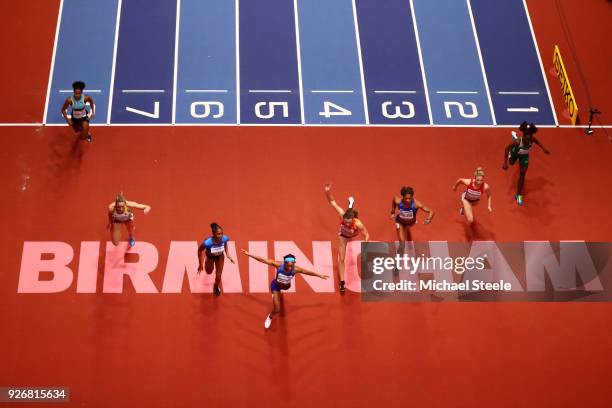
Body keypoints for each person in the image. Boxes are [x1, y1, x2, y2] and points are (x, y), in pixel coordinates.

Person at [241, 250, 328, 329]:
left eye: (292, 264)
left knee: (285, 287)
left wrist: (319, 275)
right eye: (288, 264)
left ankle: (278, 295)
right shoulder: (278, 265)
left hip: (286, 286)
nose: (290, 267)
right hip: (276, 286)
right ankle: (270, 317)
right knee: (277, 309)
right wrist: (249, 254)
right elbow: (263, 260)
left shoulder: (296, 269)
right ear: (285, 262)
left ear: (294, 263)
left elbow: (308, 272)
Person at [324, 183, 369, 293]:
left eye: (349, 222)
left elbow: (367, 234)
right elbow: (332, 202)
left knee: (350, 211)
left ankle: (350, 205)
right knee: (342, 259)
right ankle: (342, 283)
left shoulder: (358, 223)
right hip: (343, 236)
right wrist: (327, 191)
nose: (347, 224)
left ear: (353, 220)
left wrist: (365, 243)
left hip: (354, 234)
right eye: (345, 222)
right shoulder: (341, 214)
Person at [503, 121, 550, 205]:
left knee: (522, 174)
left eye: (530, 137)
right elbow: (506, 148)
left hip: (524, 156)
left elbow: (536, 141)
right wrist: (505, 163)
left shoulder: (532, 139)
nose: (528, 139)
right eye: (526, 137)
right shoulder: (517, 142)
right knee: (511, 163)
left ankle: (518, 195)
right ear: (523, 135)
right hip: (515, 153)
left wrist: (543, 148)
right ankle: (513, 139)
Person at [390, 186, 434, 259]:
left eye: (410, 198)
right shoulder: (398, 201)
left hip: (411, 223)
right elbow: (394, 200)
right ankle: (397, 264)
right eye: (406, 198)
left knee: (407, 229)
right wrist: (392, 211)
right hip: (400, 222)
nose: (408, 200)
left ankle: (407, 230)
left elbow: (431, 211)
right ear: (402, 197)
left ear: (412, 197)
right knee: (402, 245)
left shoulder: (416, 204)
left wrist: (429, 219)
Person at [197, 223, 235, 296]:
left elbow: (225, 243)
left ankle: (216, 286)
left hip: (220, 257)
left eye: (221, 233)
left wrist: (227, 254)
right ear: (214, 234)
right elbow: (199, 250)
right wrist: (200, 263)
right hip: (210, 257)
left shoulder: (224, 238)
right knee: (208, 272)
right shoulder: (207, 242)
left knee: (218, 277)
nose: (221, 236)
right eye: (218, 234)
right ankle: (207, 263)